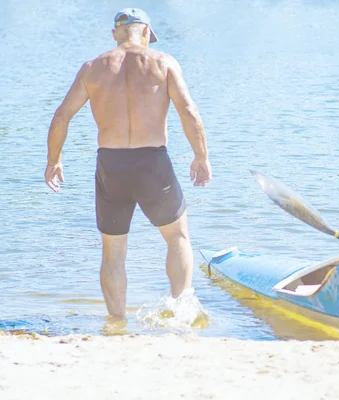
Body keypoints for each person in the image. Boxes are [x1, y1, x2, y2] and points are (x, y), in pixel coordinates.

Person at [45, 8, 211, 317]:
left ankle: (117, 324)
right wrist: (201, 156)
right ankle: (181, 314)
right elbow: (189, 111)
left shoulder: (92, 68)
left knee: (114, 252)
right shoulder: (162, 62)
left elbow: (61, 116)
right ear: (146, 32)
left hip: (111, 164)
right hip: (152, 163)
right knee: (177, 238)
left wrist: (54, 160)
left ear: (114, 33)